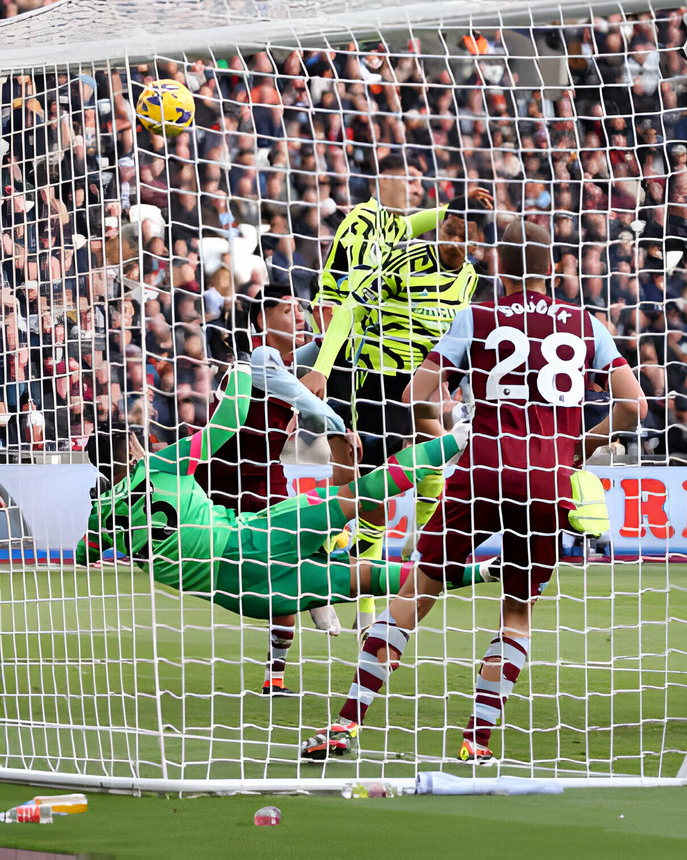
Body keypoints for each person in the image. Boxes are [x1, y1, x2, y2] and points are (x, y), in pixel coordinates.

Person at [300, 220, 646, 763]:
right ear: (555, 268)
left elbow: (414, 395)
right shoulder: (586, 324)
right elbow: (634, 407)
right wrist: (577, 446)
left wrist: (452, 424)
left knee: (415, 593)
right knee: (516, 611)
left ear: (496, 267)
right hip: (546, 478)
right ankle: (475, 741)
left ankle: (344, 726)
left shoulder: (475, 316)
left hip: (480, 469)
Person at [80, 368, 489, 628]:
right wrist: (241, 373)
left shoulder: (102, 516)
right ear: (134, 447)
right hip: (252, 540)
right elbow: (228, 421)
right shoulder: (161, 464)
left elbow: (85, 554)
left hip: (245, 595)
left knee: (363, 579)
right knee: (356, 496)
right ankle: (457, 439)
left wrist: (97, 518)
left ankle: (486, 572)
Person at [304, 154, 491, 628]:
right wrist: (327, 366)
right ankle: (322, 572)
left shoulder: (461, 273)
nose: (414, 187)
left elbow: (452, 339)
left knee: (432, 447)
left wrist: (464, 202)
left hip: (410, 379)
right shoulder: (375, 231)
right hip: (358, 363)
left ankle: (412, 540)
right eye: (405, 178)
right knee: (362, 488)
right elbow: (346, 302)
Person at [201, 283, 354, 694]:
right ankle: (320, 591)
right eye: (288, 311)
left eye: (300, 309)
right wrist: (338, 426)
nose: (298, 316)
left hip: (264, 475)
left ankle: (275, 675)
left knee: (286, 564)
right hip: (219, 475)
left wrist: (330, 327)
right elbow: (303, 394)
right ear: (261, 319)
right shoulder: (260, 357)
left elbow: (324, 353)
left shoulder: (287, 363)